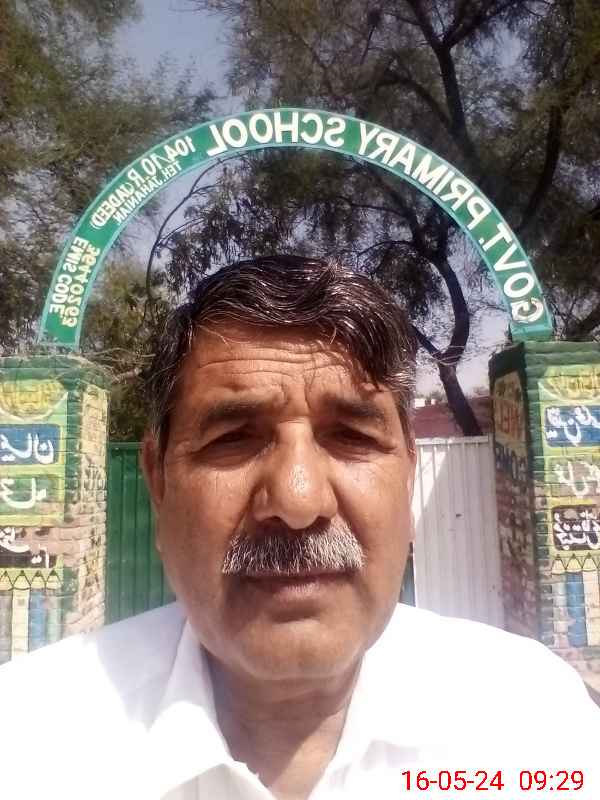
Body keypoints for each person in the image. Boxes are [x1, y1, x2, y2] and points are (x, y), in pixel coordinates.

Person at [0, 255, 599, 800]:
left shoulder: (529, 720)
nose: (297, 500)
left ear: (408, 473)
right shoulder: (30, 741)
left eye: (352, 436)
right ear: (159, 482)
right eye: (232, 438)